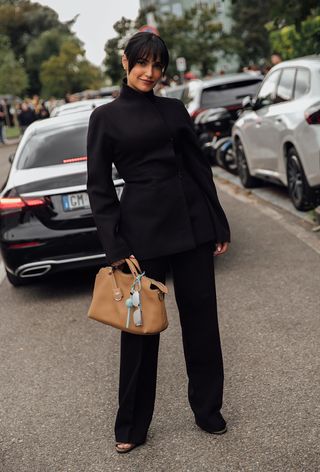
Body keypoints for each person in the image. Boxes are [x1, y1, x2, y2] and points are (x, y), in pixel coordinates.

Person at [86, 32, 231, 454]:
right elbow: (98, 187)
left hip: (192, 226)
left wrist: (218, 222)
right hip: (141, 236)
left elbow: (197, 166)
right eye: (142, 64)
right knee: (139, 330)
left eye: (157, 65)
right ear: (126, 64)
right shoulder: (106, 117)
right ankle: (131, 425)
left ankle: (208, 410)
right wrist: (114, 247)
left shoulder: (174, 108)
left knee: (203, 323)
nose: (150, 73)